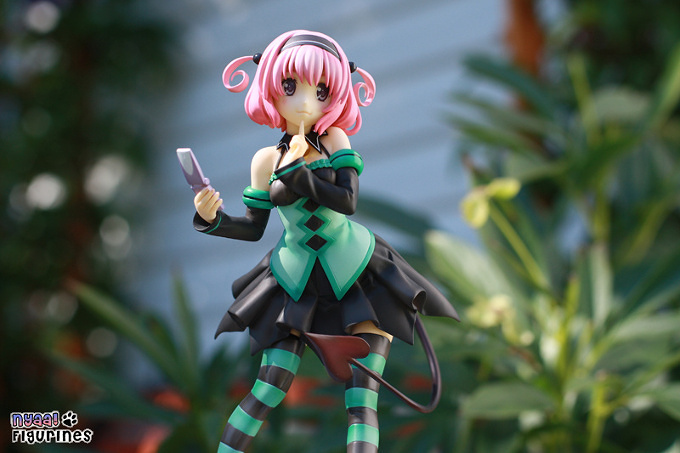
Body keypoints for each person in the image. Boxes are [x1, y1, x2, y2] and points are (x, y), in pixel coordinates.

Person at [190, 30, 459, 453]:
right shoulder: (265, 160)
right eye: (290, 86)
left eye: (320, 91)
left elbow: (347, 201)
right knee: (268, 388)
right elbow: (254, 227)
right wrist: (211, 219)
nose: (304, 102)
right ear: (270, 87)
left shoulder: (334, 141)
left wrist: (298, 176)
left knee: (362, 396)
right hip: (294, 280)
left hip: (356, 274)